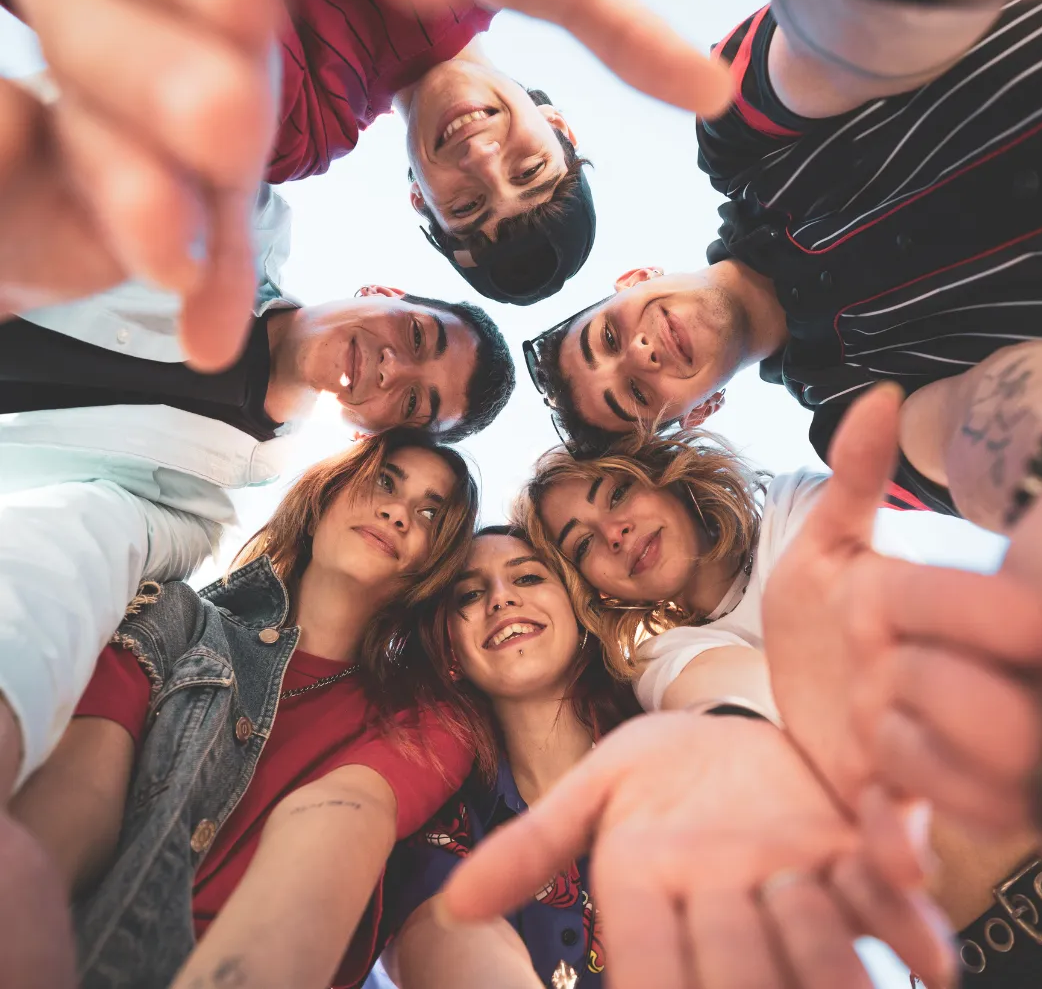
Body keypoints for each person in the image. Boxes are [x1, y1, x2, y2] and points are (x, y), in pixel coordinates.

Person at [0, 146, 513, 807]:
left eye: (414, 403)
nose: (393, 368)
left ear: (380, 433)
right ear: (383, 292)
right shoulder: (241, 211)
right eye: (416, 336)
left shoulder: (193, 506)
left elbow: (59, 570)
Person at [515, 414, 1042, 987]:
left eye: (619, 492)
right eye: (583, 545)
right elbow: (741, 714)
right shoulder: (660, 664)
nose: (615, 534)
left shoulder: (795, 504)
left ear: (664, 477)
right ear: (595, 588)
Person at [523, 0, 1042, 535]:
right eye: (637, 395)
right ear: (697, 415)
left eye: (609, 339)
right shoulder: (855, 433)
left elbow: (846, 24)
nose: (640, 353)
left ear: (636, 277)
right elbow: (975, 441)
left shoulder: (734, 137)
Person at [0, 0, 597, 368]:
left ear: (422, 200)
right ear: (560, 126)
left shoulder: (300, 134)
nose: (482, 159)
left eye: (467, 206)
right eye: (529, 170)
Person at [9, 429, 480, 989]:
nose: (398, 513)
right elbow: (84, 782)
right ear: (322, 499)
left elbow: (343, 823)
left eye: (430, 514)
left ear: (432, 567)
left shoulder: (426, 722)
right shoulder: (177, 616)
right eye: (385, 481)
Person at [376, 525, 639, 989]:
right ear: (450, 652)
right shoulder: (439, 825)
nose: (500, 599)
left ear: (577, 609)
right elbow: (441, 928)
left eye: (528, 578)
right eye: (469, 595)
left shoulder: (665, 734)